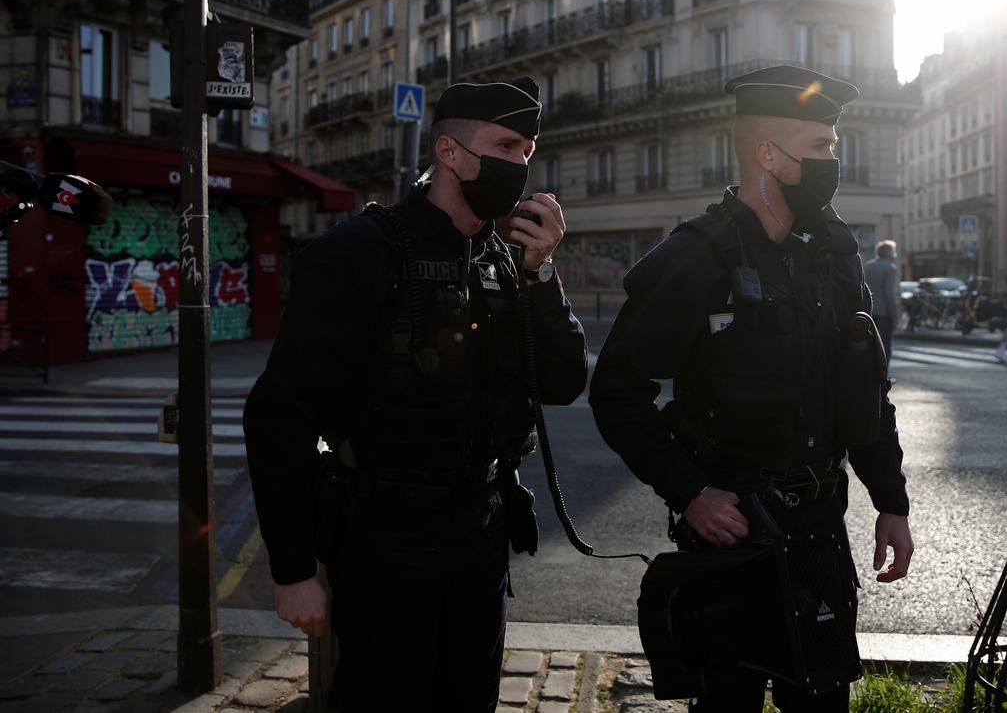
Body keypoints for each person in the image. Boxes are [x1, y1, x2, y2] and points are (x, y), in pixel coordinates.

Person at [243, 77, 588, 711]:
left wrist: (542, 278)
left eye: (528, 152)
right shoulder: (358, 253)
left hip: (480, 533)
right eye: (506, 145)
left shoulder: (506, 258)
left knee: (470, 698)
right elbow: (278, 416)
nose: (519, 165)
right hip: (383, 538)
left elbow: (564, 384)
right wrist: (293, 570)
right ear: (450, 152)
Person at [589, 65, 913, 713]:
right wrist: (691, 492)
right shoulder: (699, 256)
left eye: (834, 148)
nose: (831, 163)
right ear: (769, 154)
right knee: (727, 703)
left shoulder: (834, 253)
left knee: (821, 704)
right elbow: (617, 392)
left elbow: (866, 389)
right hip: (731, 536)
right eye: (819, 148)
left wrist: (891, 500)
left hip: (821, 530)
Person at [863, 239, 900, 362]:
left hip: (868, 310)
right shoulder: (890, 268)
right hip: (884, 312)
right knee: (884, 346)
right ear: (890, 254)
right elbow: (889, 293)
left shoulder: (867, 266)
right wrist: (894, 315)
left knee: (869, 345)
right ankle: (883, 376)